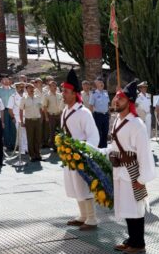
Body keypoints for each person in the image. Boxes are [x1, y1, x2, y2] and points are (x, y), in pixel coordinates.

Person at [103, 81, 156, 254]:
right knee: (126, 206)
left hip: (132, 172)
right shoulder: (118, 120)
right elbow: (115, 145)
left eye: (121, 99)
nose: (116, 101)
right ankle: (131, 239)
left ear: (130, 102)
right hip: (119, 170)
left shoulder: (137, 124)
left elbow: (144, 154)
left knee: (135, 207)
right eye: (116, 98)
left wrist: (142, 179)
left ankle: (139, 243)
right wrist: (109, 154)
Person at [61, 69, 100, 230]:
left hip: (81, 155)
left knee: (84, 185)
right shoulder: (65, 111)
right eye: (62, 91)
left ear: (74, 93)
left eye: (65, 91)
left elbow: (94, 136)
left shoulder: (84, 113)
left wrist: (84, 153)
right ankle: (83, 215)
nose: (62, 94)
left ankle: (92, 218)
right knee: (74, 185)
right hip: (69, 155)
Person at [20, 83, 44, 162]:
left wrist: (41, 118)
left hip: (37, 119)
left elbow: (40, 108)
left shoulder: (38, 97)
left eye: (32, 88)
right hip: (29, 120)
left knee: (38, 138)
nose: (31, 89)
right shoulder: (24, 98)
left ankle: (38, 154)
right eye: (29, 88)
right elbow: (21, 110)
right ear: (26, 89)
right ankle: (32, 155)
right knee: (30, 138)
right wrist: (21, 121)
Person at [0, 76, 17, 151]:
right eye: (4, 80)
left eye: (7, 80)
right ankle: (8, 145)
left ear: (9, 81)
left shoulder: (14, 90)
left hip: (13, 110)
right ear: (1, 81)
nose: (6, 81)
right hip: (4, 110)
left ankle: (14, 144)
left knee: (13, 127)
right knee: (6, 128)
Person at [7, 81, 27, 158]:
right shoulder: (13, 96)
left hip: (27, 116)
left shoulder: (26, 95)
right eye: (20, 87)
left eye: (23, 87)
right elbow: (10, 109)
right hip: (18, 117)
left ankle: (27, 148)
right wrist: (13, 117)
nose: (21, 88)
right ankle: (22, 150)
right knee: (20, 133)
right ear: (16, 88)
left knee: (26, 133)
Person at [89, 78, 110, 148]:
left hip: (105, 115)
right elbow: (91, 105)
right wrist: (91, 116)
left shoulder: (106, 93)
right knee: (98, 132)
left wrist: (109, 113)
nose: (102, 84)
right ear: (96, 84)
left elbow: (107, 104)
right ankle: (99, 147)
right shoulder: (94, 94)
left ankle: (104, 147)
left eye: (102, 82)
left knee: (105, 131)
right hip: (98, 115)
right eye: (100, 83)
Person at [43, 81, 64, 150]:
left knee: (61, 131)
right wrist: (46, 117)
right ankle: (53, 145)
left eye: (55, 85)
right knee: (52, 131)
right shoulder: (46, 96)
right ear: (49, 87)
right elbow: (44, 107)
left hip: (59, 115)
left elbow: (62, 105)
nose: (54, 87)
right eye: (52, 85)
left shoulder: (59, 95)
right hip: (51, 115)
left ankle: (60, 145)